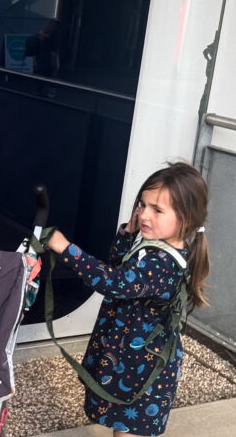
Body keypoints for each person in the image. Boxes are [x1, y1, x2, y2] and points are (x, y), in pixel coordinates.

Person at [46, 162, 210, 437]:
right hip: (130, 358)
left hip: (142, 368)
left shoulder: (162, 264)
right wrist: (127, 235)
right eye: (143, 205)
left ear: (188, 219)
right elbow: (119, 268)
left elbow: (115, 283)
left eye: (157, 210)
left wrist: (66, 249)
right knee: (121, 425)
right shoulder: (158, 247)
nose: (144, 215)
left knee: (128, 429)